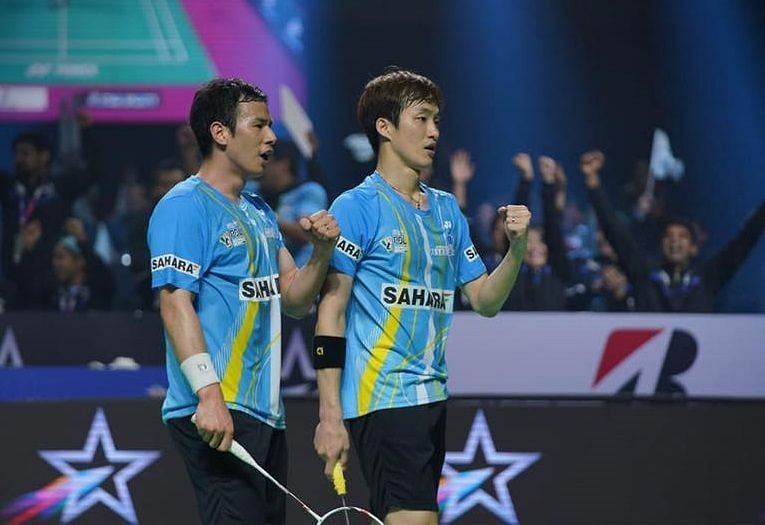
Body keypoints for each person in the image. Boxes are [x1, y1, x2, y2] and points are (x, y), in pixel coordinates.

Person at [312, 68, 530, 525]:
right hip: (383, 397)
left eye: (437, 121)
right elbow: (330, 312)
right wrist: (329, 415)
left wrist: (517, 249)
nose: (435, 132)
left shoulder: (448, 210)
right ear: (385, 127)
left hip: (432, 395)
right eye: (422, 118)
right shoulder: (356, 207)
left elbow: (485, 300)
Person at [147, 78, 339, 525]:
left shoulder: (259, 212)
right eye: (259, 125)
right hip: (215, 408)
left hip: (264, 412)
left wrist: (322, 252)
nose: (272, 137)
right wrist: (208, 395)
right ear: (220, 133)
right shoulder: (185, 206)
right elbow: (175, 302)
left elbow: (293, 298)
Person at [580, 150, 765, 312]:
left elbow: (742, 243)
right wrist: (593, 182)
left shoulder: (709, 277)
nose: (675, 241)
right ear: (661, 245)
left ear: (694, 248)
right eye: (669, 236)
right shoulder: (644, 273)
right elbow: (616, 233)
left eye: (682, 236)